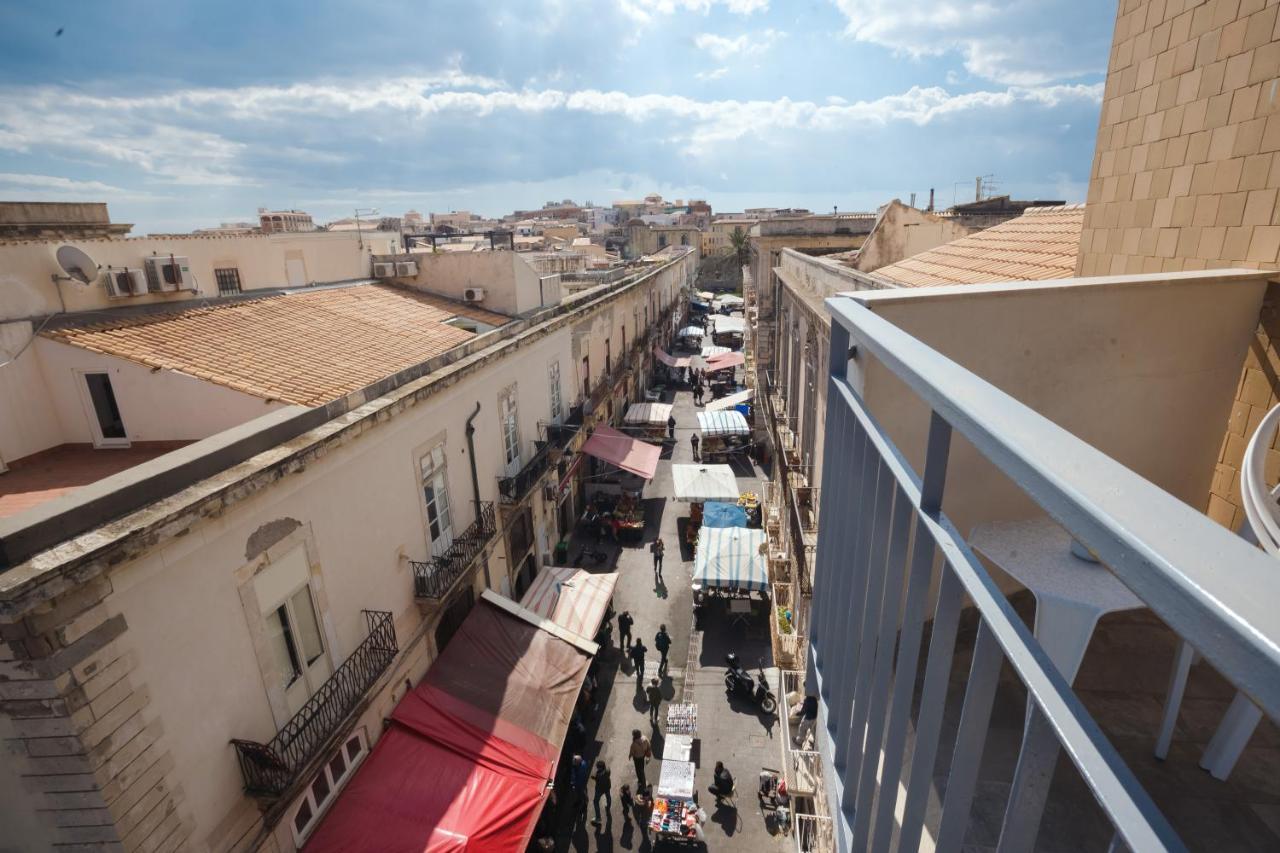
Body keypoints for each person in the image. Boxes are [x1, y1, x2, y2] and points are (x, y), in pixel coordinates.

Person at [591, 760, 612, 827]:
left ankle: (598, 817)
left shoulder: (597, 775)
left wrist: (596, 774)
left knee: (595, 802)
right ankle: (608, 806)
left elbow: (593, 776)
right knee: (608, 796)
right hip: (607, 787)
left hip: (599, 790)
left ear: (600, 768)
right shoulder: (608, 770)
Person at [570, 754, 590, 821]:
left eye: (574, 763)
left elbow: (579, 778)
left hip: (581, 785)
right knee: (579, 794)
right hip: (577, 785)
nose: (573, 764)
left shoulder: (582, 767)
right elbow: (574, 775)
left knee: (583, 795)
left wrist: (574, 783)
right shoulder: (577, 765)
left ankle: (584, 805)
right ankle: (579, 801)